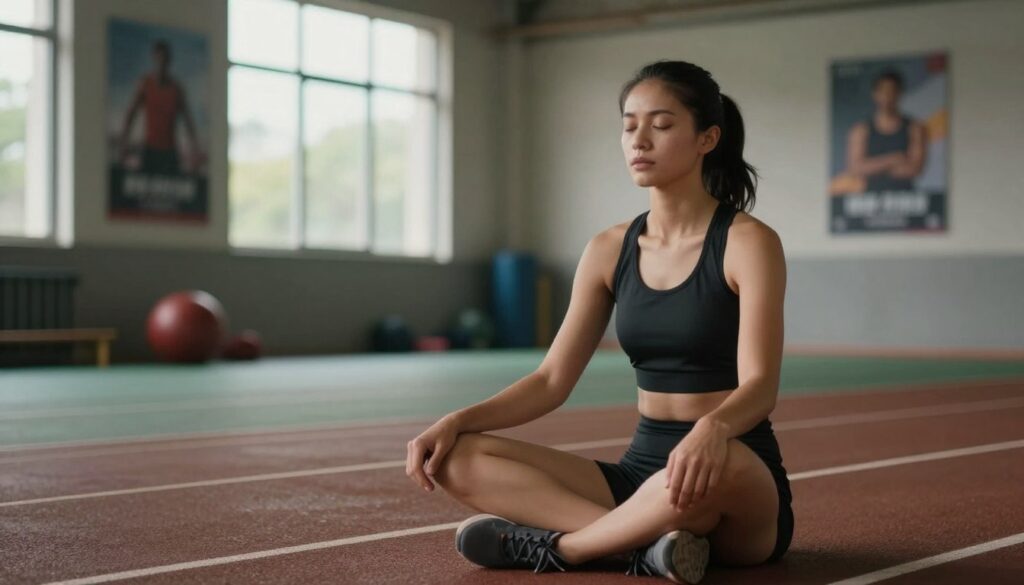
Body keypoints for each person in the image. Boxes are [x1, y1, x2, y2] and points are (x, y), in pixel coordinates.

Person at [405, 60, 792, 583]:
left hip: (734, 472)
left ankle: (567, 548)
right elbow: (549, 381)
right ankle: (650, 548)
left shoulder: (749, 243)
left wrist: (711, 430)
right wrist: (456, 421)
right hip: (640, 473)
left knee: (708, 471)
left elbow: (761, 385)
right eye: (630, 125)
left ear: (707, 138)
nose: (640, 140)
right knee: (456, 458)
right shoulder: (609, 249)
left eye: (661, 124)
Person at [118, 39, 205, 176]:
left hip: (169, 151)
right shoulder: (146, 84)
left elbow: (188, 121)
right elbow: (131, 114)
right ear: (154, 59)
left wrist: (195, 148)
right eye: (159, 58)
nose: (162, 63)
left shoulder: (176, 89)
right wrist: (124, 142)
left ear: (169, 61)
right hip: (150, 148)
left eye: (165, 59)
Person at [844, 69, 928, 193]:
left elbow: (914, 169)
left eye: (892, 91)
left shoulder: (914, 128)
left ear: (899, 93)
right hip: (869, 201)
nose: (887, 96)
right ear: (875, 94)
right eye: (883, 91)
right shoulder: (861, 130)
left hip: (907, 201)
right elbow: (855, 169)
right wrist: (893, 159)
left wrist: (872, 167)